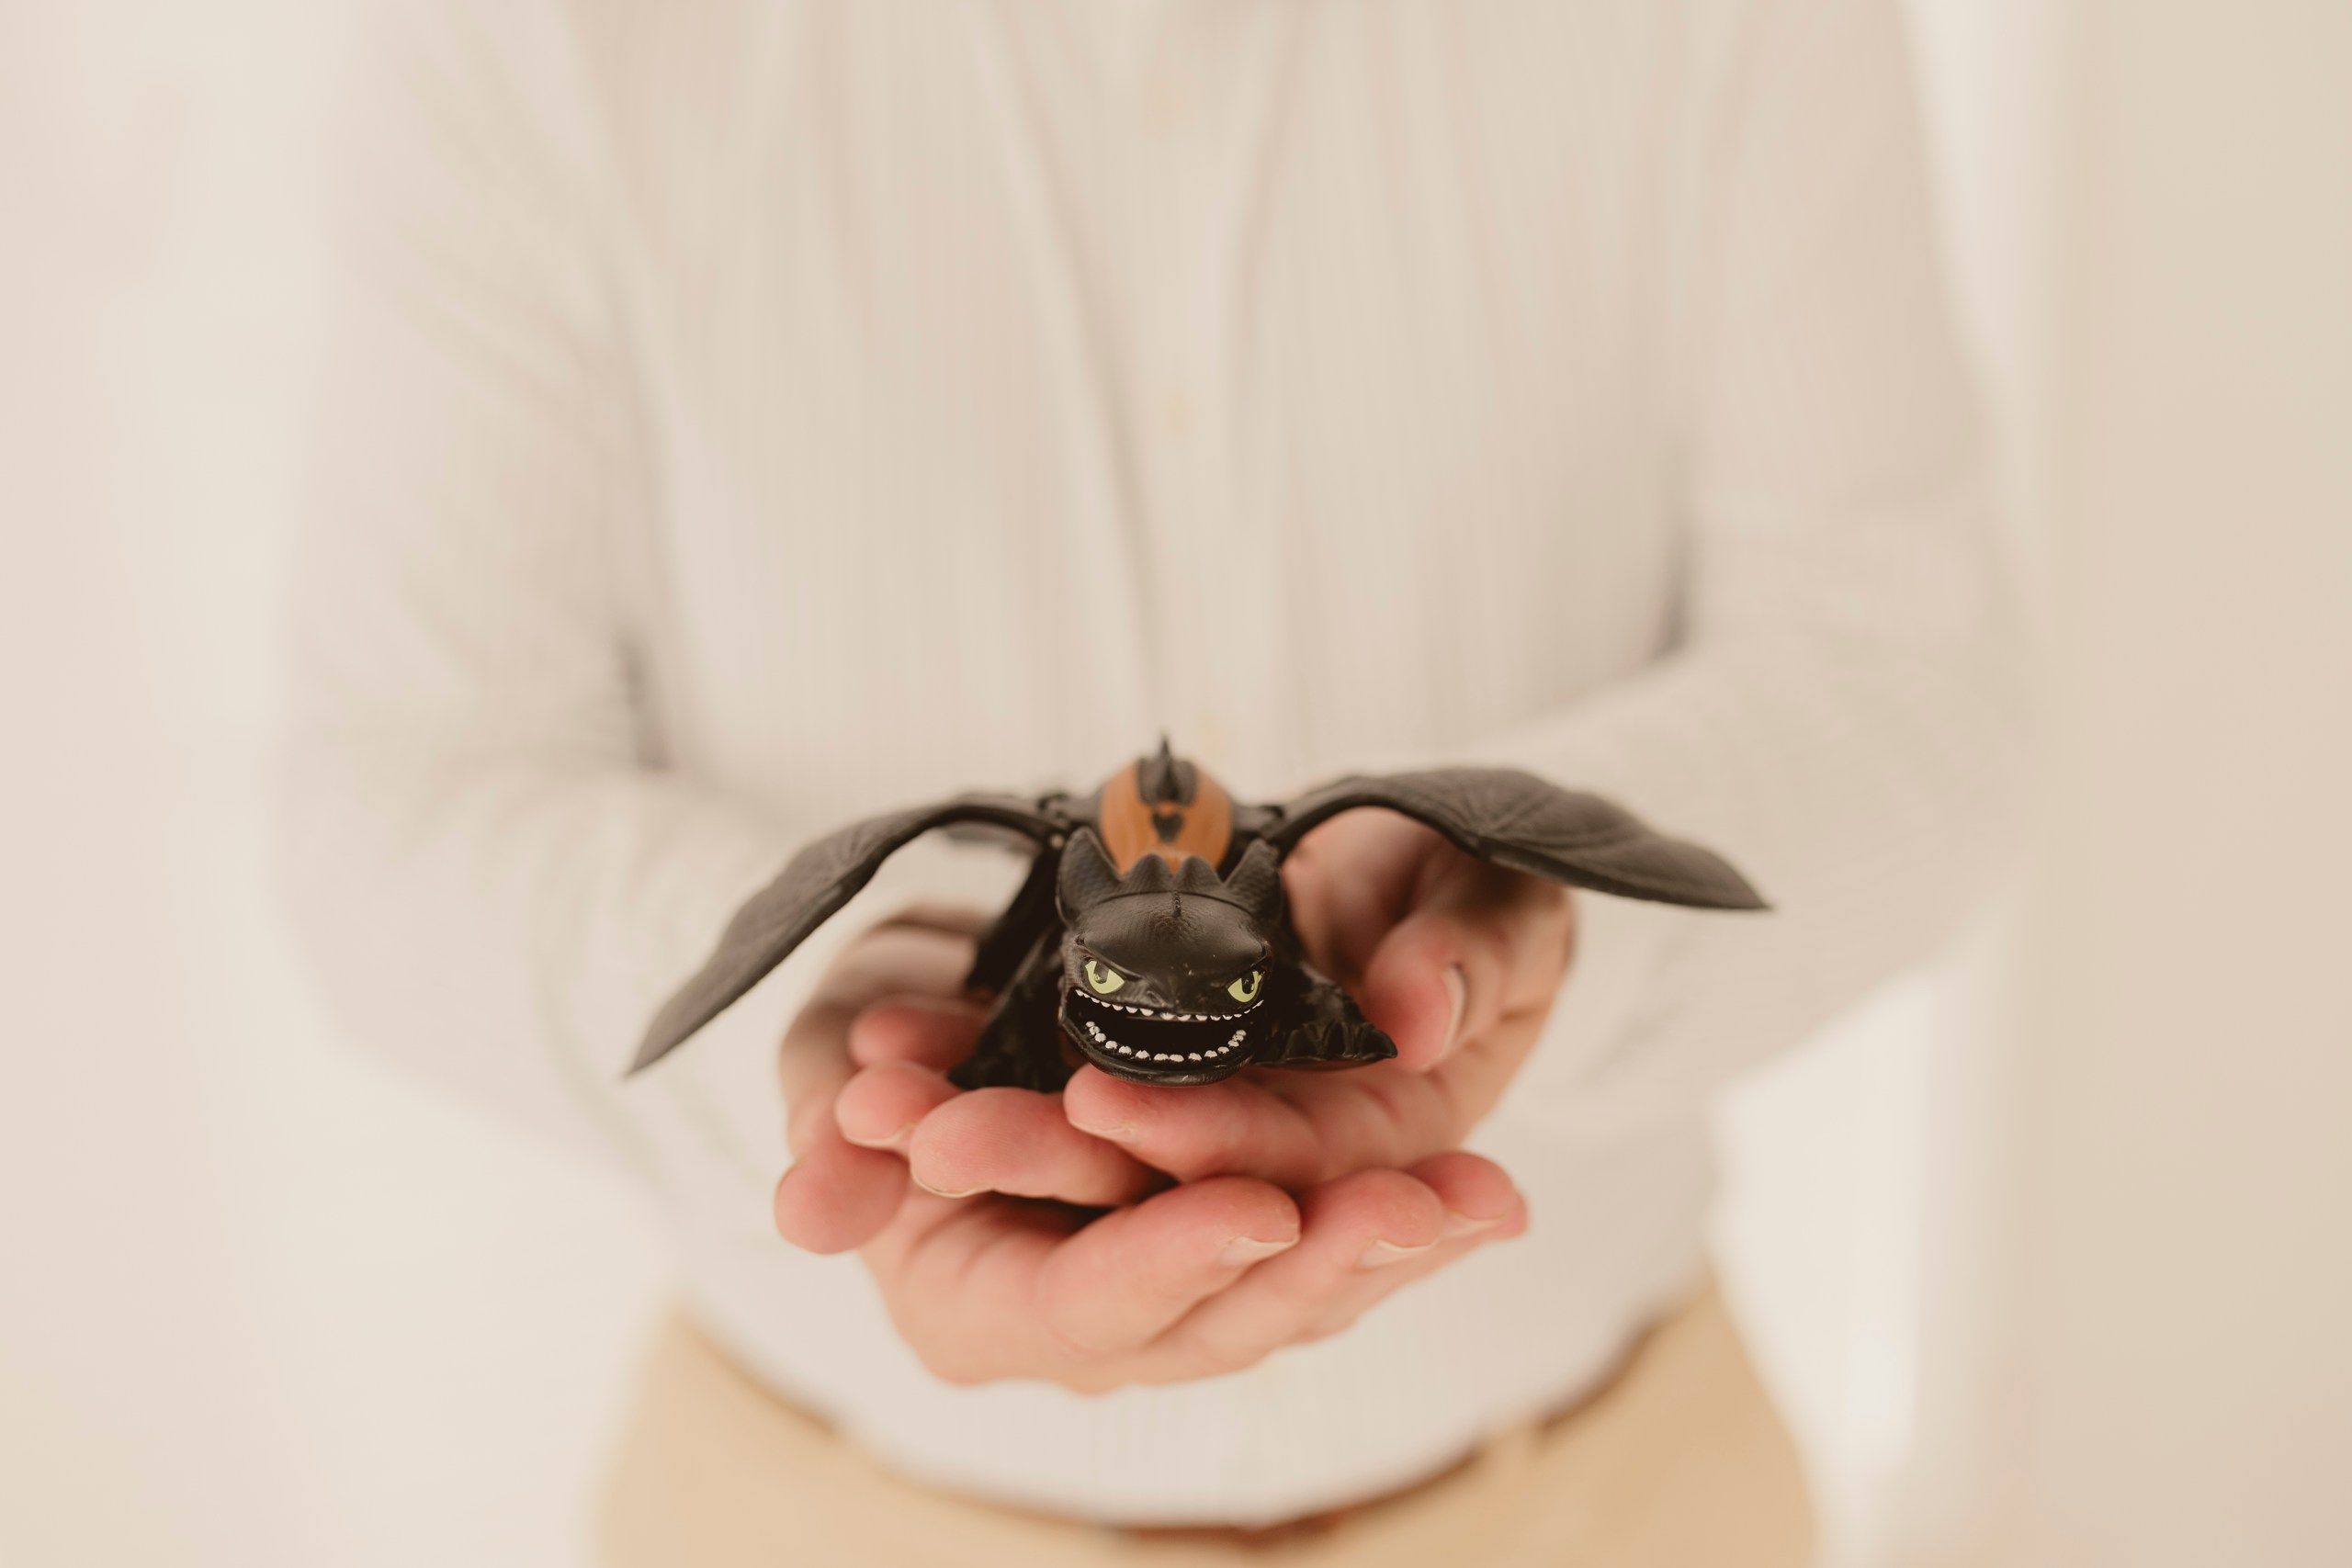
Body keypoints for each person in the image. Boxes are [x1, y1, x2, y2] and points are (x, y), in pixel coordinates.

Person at [283, 1, 2023, 1562]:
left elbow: (1903, 689)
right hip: (814, 1513)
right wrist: (824, 1013)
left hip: (1611, 1499)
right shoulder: (531, 41)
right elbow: (399, 802)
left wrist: (1529, 895)